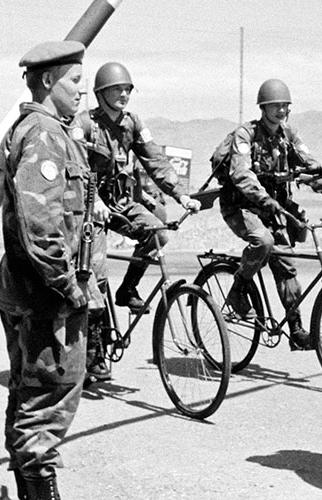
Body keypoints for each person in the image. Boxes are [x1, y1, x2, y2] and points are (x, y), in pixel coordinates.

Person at [0, 40, 98, 500]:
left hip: (36, 292)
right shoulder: (42, 134)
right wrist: (68, 286)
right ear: (47, 81)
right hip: (45, 297)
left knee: (30, 397)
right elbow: (41, 221)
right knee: (46, 403)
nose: (83, 91)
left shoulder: (52, 130)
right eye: (75, 81)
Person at [75, 61, 200, 382]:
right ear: (101, 93)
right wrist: (96, 202)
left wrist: (181, 195)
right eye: (117, 89)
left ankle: (128, 288)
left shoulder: (133, 124)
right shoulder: (85, 125)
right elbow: (72, 168)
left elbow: (156, 160)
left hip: (120, 202)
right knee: (96, 276)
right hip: (88, 207)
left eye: (127, 89)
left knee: (158, 234)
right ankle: (95, 354)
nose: (124, 94)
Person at [219, 78, 322, 351]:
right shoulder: (245, 136)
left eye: (285, 106)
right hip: (241, 206)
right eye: (275, 106)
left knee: (287, 265)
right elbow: (241, 174)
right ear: (263, 108)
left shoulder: (289, 136)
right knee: (263, 242)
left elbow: (311, 171)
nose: (281, 111)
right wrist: (264, 198)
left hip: (274, 209)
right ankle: (238, 291)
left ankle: (296, 329)